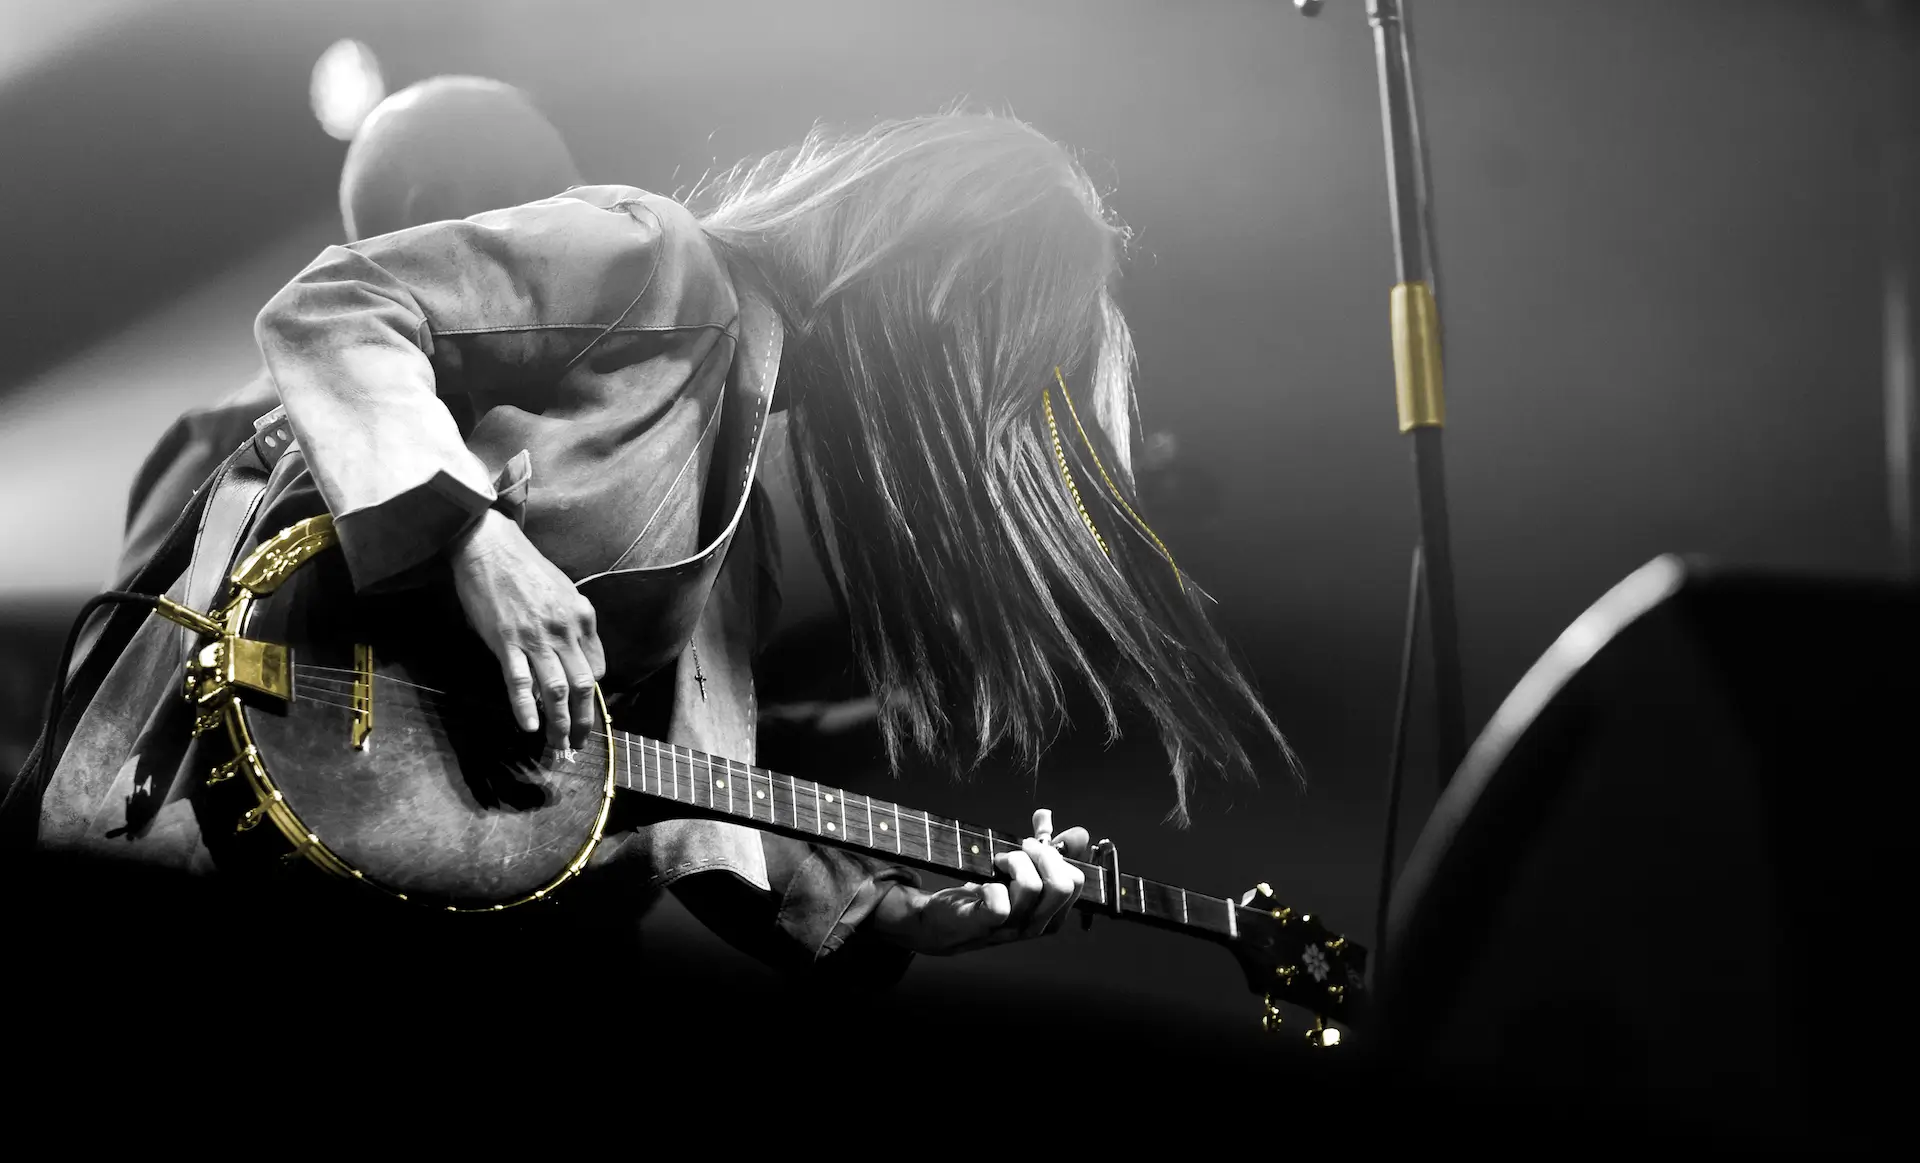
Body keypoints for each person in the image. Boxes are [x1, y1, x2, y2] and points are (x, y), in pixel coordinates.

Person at [20, 107, 1295, 1007]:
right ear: (929, 281)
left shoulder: (744, 511)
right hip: (215, 829)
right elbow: (335, 304)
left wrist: (915, 913)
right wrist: (473, 537)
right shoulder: (652, 262)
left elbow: (678, 804)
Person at [111, 75, 587, 591]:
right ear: (436, 211)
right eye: (549, 202)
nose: (579, 232)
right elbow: (124, 659)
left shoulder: (539, 416)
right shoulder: (228, 442)